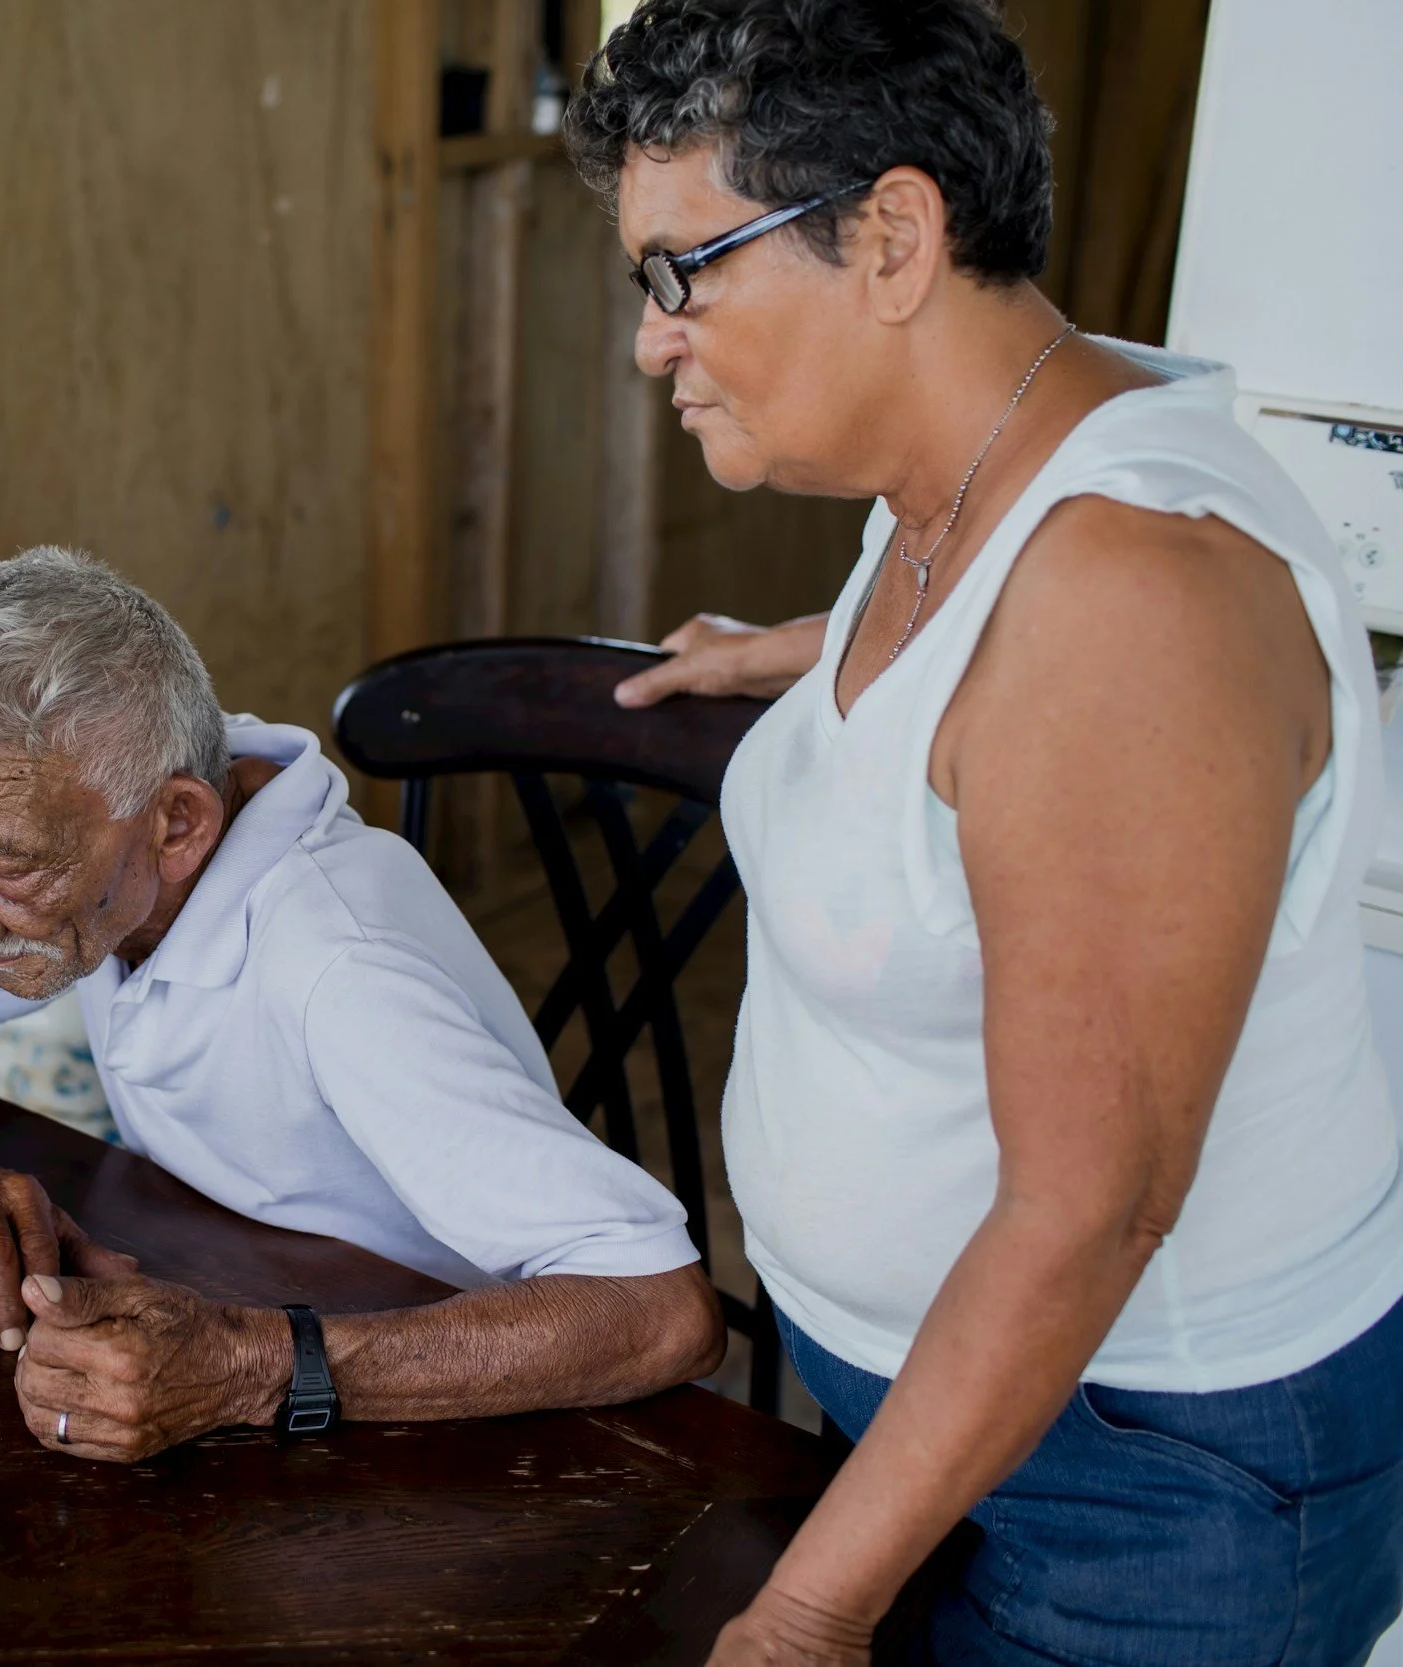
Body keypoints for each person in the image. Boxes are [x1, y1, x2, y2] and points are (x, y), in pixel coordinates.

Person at [561, 2, 1403, 1660]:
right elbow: (980, 665)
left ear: (890, 237)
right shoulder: (968, 469)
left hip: (1147, 1486)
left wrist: (808, 1607)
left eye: (680, 272)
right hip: (969, 1418)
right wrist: (793, 660)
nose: (654, 340)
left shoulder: (1129, 605)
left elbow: (1089, 1204)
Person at [0, 548, 725, 1464]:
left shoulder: (339, 973)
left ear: (179, 825)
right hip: (242, 1270)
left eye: (4, 862)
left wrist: (250, 1364)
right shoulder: (117, 801)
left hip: (456, 1413)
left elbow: (659, 1309)